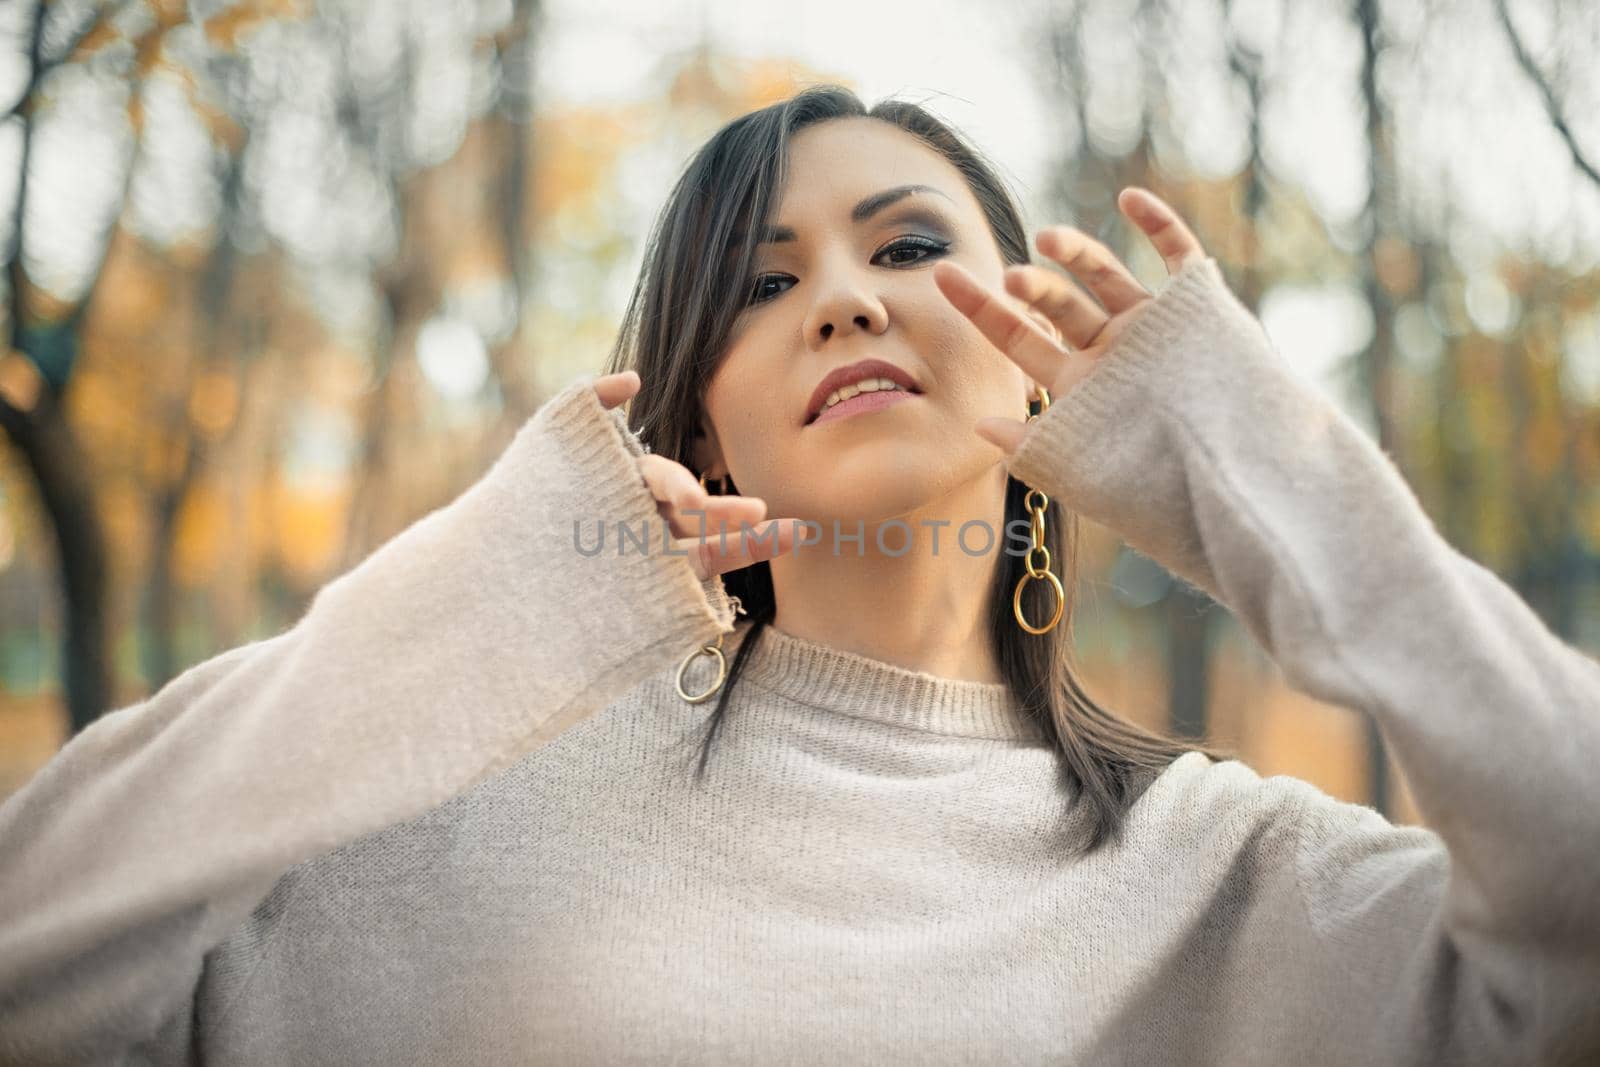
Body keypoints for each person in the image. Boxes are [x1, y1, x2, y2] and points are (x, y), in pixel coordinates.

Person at [1, 83, 1597, 1065]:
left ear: (1046, 366)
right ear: (703, 413)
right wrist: (465, 613)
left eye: (906, 248)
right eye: (763, 285)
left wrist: (1261, 471)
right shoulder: (443, 831)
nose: (842, 300)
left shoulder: (1237, 882)